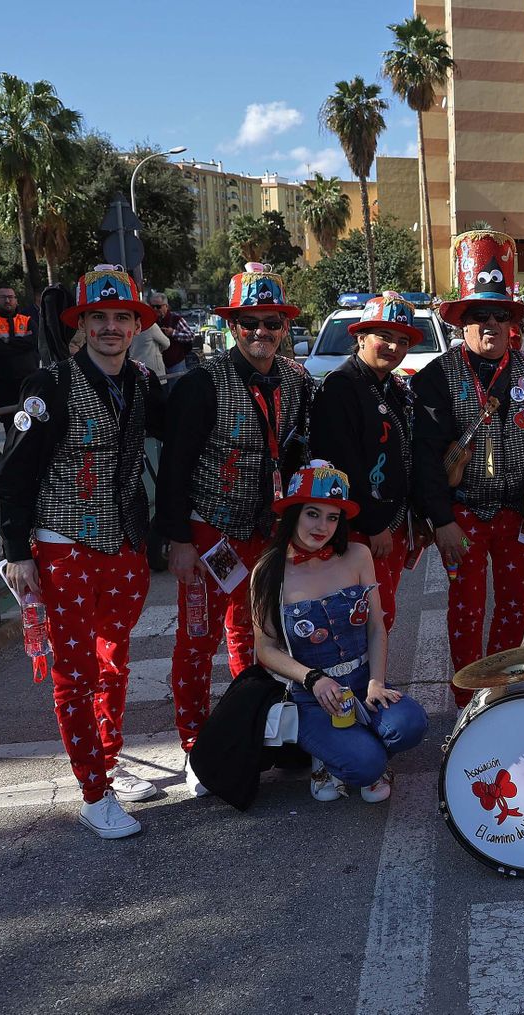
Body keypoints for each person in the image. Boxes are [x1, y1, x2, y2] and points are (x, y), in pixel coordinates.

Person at [0, 266, 166, 838]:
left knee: (114, 660)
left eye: (122, 317)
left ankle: (109, 761)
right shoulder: (51, 387)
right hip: (63, 546)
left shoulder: (142, 382)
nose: (111, 327)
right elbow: (14, 474)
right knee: (74, 672)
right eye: (100, 318)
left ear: (137, 325)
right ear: (83, 324)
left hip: (124, 545)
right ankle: (93, 793)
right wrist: (18, 551)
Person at [155, 263, 313, 775]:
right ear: (232, 326)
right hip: (209, 531)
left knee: (256, 632)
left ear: (285, 327)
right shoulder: (201, 384)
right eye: (251, 323)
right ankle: (194, 745)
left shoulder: (296, 380)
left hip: (264, 531)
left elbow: (294, 455)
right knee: (198, 637)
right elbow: (173, 468)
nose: (262, 333)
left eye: (272, 323)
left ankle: (250, 727)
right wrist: (178, 539)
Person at [415, 230, 524, 708]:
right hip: (463, 519)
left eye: (501, 313)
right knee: (466, 611)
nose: (492, 323)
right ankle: (467, 703)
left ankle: (502, 695)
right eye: (480, 314)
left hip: (518, 516)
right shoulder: (434, 379)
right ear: (462, 322)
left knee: (516, 608)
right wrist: (442, 521)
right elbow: (424, 458)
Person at [247, 462, 429, 803]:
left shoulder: (358, 555)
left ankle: (352, 749)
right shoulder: (269, 571)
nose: (322, 527)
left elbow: (376, 627)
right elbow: (266, 649)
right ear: (294, 514)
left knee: (411, 724)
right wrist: (314, 679)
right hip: (312, 696)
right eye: (313, 514)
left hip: (363, 682)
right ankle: (338, 757)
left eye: (333, 517)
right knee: (365, 765)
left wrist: (377, 681)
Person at [310, 292, 421, 631]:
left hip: (393, 523)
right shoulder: (341, 387)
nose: (393, 347)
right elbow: (340, 464)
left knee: (381, 619)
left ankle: (374, 682)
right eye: (384, 337)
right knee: (370, 618)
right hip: (363, 528)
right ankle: (364, 685)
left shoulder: (392, 386)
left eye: (402, 340)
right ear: (360, 338)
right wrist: (373, 525)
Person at [0, 285, 38, 431]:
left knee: (33, 422)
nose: (7, 300)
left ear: (16, 301)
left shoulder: (27, 320)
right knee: (10, 426)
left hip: (29, 380)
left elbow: (34, 341)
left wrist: (7, 341)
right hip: (4, 382)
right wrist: (20, 344)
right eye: (3, 297)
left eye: (11, 297)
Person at [152, 294, 197, 378]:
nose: (155, 309)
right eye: (152, 306)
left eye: (158, 307)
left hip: (176, 364)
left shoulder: (176, 319)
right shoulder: (152, 321)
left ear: (166, 306)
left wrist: (173, 333)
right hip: (158, 365)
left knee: (177, 389)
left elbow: (191, 336)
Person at [129, 292, 170, 378]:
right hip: (153, 369)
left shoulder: (129, 325)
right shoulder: (151, 326)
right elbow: (166, 343)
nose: (154, 309)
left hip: (135, 367)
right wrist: (159, 349)